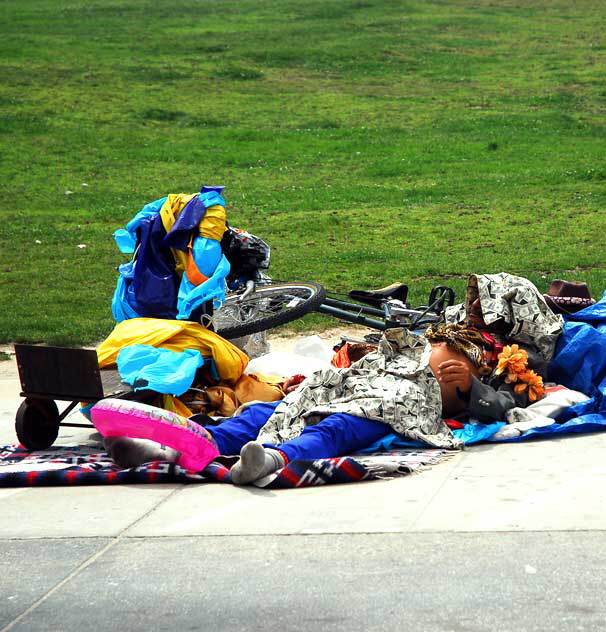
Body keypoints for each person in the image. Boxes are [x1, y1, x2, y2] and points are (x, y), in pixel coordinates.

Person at [104, 324, 494, 484]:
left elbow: (506, 404)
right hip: (352, 388)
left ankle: (271, 459)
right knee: (265, 412)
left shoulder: (482, 368)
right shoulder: (428, 339)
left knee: (336, 429)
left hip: (387, 410)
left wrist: (469, 389)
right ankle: (175, 445)